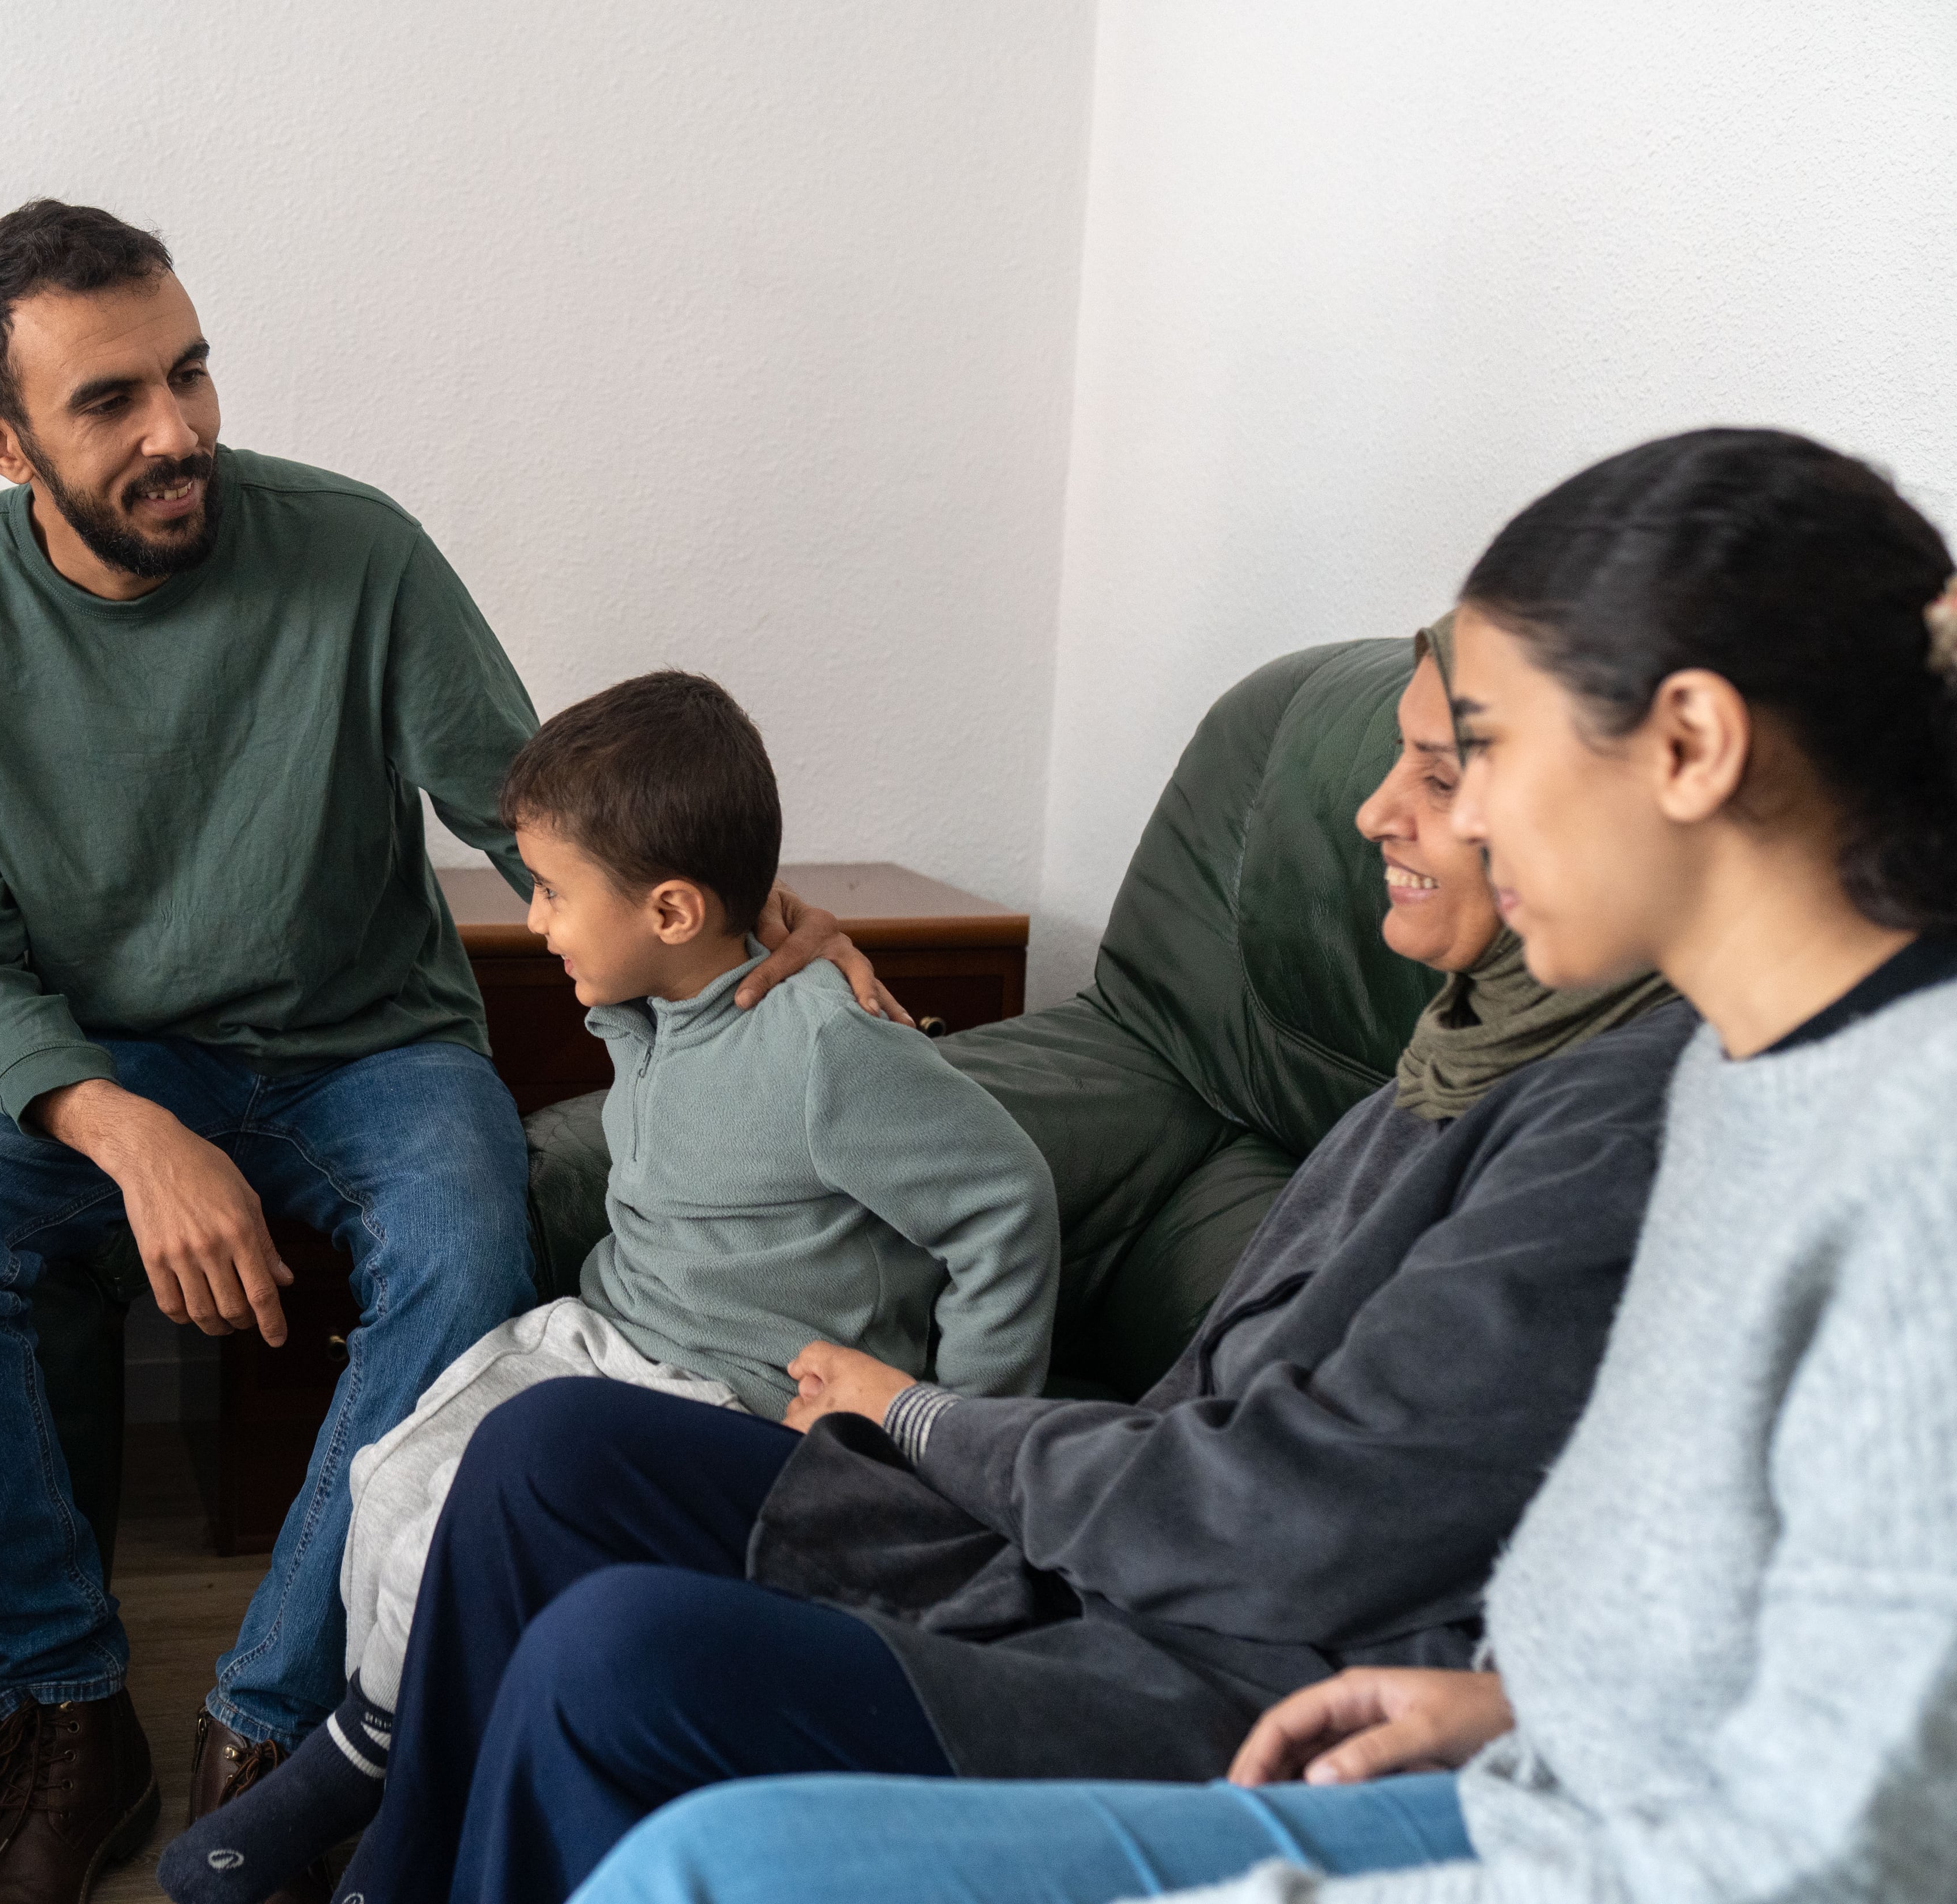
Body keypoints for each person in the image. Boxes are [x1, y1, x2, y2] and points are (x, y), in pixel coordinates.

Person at [574, 424, 1957, 1904]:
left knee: (706, 1868)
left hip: (1511, 1820)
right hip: (1503, 1762)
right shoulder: (1744, 1082)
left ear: (1687, 744)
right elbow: (1732, 1637)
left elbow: (1833, 1855)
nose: (1446, 815)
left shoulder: (1902, 1168)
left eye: (1479, 750)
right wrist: (1530, 1707)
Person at [0, 199, 892, 1904]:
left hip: (365, 1045)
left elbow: (543, 806)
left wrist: (757, 909)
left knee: (471, 1233)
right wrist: (127, 1129)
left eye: (190, 371)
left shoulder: (358, 549)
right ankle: (62, 1715)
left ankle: (270, 1723)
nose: (178, 429)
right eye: (111, 400)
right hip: (105, 1054)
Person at [336, 615, 1695, 1904]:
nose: (1374, 810)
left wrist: (930, 1418)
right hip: (1106, 1533)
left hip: (1195, 1645)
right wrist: (739, 955)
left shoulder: (1598, 1129)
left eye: (1443, 769)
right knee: (551, 1445)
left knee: (610, 1656)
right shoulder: (1459, 1050)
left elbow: (1294, 1510)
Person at [155, 673, 1059, 1903]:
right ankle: (370, 1738)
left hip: (723, 1390)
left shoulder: (826, 1048)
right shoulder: (646, 1000)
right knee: (390, 1473)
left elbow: (1008, 1202)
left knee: (437, 1537)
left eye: (552, 892)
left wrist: (954, 1434)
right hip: (604, 1333)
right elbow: (682, 938)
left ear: (673, 907)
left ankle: (372, 1778)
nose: (535, 921)